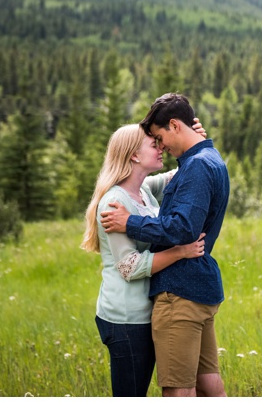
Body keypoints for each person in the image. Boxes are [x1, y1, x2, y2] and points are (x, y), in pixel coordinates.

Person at [100, 93, 230, 397]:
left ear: (174, 125)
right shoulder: (208, 160)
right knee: (208, 384)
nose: (161, 147)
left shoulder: (197, 166)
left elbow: (182, 227)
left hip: (180, 293)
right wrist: (197, 141)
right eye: (153, 143)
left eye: (160, 138)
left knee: (178, 392)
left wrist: (129, 222)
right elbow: (178, 177)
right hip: (194, 288)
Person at [81, 120, 207, 397]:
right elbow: (129, 266)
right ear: (134, 156)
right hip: (126, 319)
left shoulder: (143, 190)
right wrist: (180, 251)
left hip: (145, 313)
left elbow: (182, 174)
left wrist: (192, 137)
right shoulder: (114, 203)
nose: (161, 147)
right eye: (154, 144)